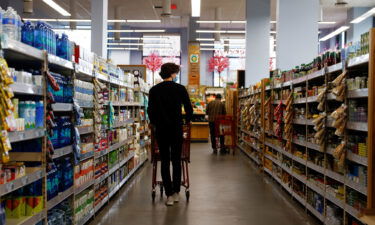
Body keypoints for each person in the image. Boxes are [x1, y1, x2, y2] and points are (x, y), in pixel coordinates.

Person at [147, 63, 193, 206]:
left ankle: (168, 195)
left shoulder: (154, 90)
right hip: (176, 129)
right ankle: (176, 192)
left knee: (165, 161)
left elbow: (150, 111)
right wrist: (186, 120)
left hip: (161, 130)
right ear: (173, 74)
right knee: (177, 160)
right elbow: (189, 108)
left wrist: (155, 123)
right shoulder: (180, 89)